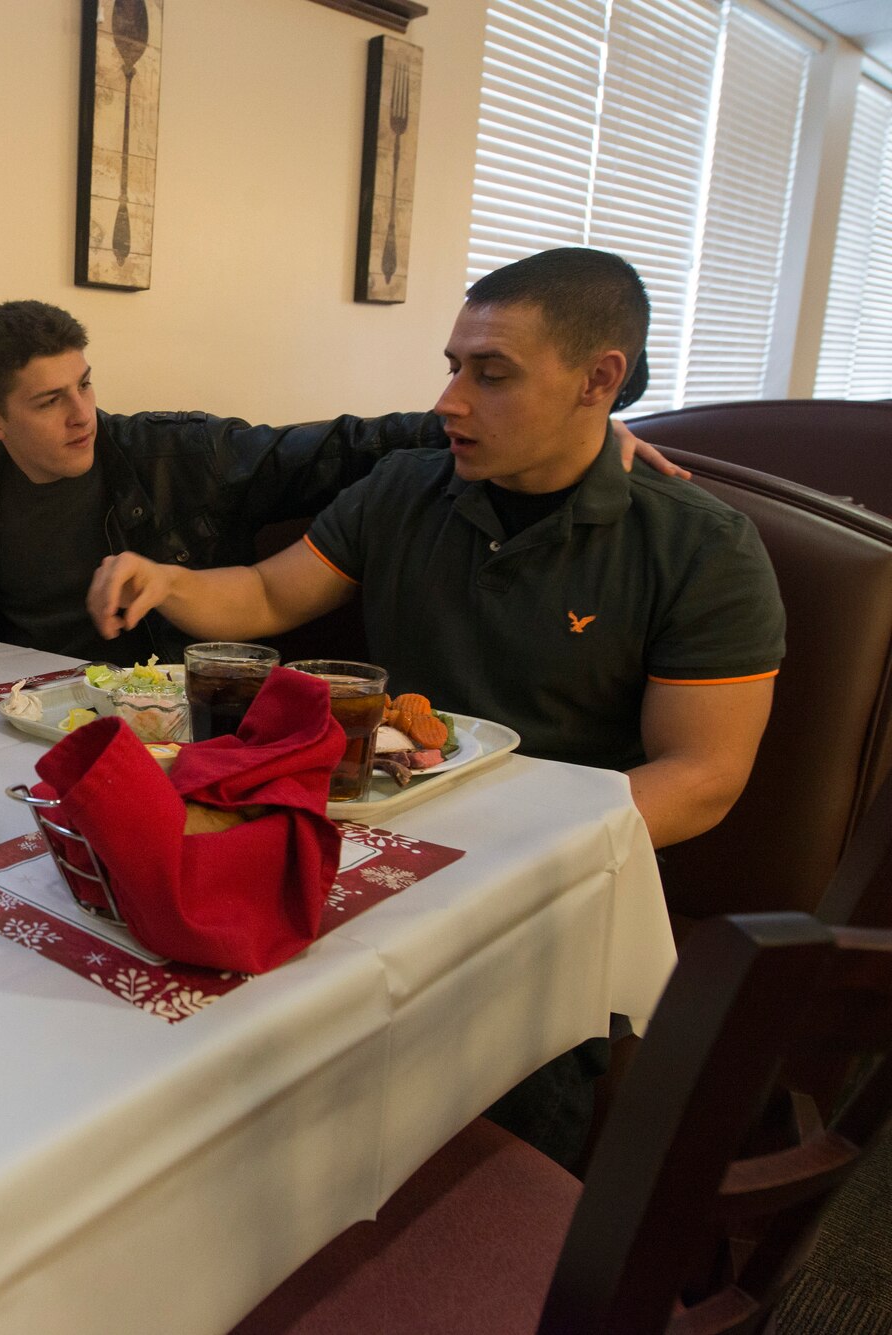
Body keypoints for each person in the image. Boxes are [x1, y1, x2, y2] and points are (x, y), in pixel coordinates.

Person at [88, 247, 785, 1168]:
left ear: (598, 380)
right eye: (453, 367)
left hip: (546, 880)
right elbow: (264, 596)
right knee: (170, 987)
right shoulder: (406, 487)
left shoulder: (702, 548)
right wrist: (169, 577)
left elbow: (703, 777)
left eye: (491, 374)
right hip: (377, 837)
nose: (451, 399)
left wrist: (508, 845)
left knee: (464, 1114)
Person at [0, 299, 677, 664]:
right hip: (22, 717)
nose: (83, 414)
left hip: (162, 712)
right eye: (49, 401)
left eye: (87, 385)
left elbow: (342, 447)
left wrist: (570, 424)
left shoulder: (180, 453)